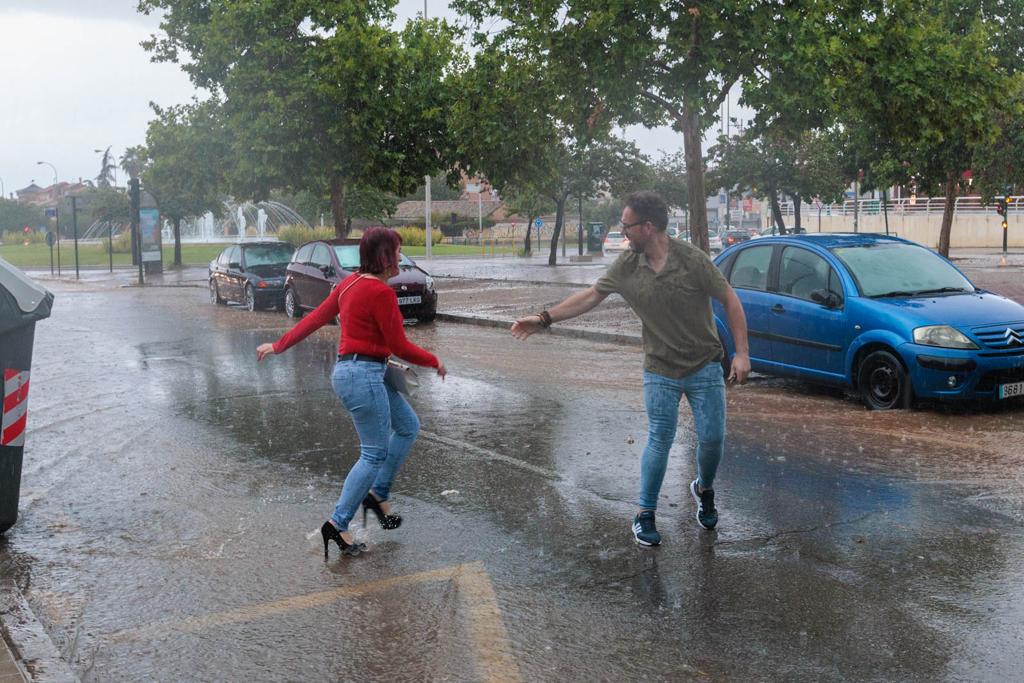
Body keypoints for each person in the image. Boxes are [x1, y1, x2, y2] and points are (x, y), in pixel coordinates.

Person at [511, 191, 750, 546]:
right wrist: (544, 318)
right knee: (660, 438)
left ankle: (703, 487)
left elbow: (730, 299)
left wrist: (741, 354)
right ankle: (645, 514)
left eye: (627, 226)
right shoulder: (627, 266)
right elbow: (591, 296)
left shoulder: (691, 260)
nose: (623, 233)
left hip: (703, 364)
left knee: (713, 439)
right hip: (660, 368)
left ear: (648, 227)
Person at [257, 228, 446, 559]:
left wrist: (278, 345)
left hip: (355, 372)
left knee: (408, 426)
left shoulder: (349, 285)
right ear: (385, 256)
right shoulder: (380, 293)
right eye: (397, 250)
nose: (400, 257)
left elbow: (314, 318)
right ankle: (337, 523)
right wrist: (434, 361)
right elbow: (399, 345)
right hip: (364, 376)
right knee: (373, 454)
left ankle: (377, 495)